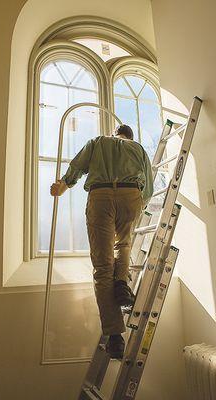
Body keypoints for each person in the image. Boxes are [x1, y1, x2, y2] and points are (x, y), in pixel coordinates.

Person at [50, 125, 153, 359]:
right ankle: (121, 284)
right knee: (124, 243)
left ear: (115, 132)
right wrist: (138, 206)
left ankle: (115, 336)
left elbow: (76, 167)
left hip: (101, 196)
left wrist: (63, 187)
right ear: (130, 136)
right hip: (131, 195)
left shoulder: (97, 141)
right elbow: (149, 187)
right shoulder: (138, 148)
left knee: (102, 265)